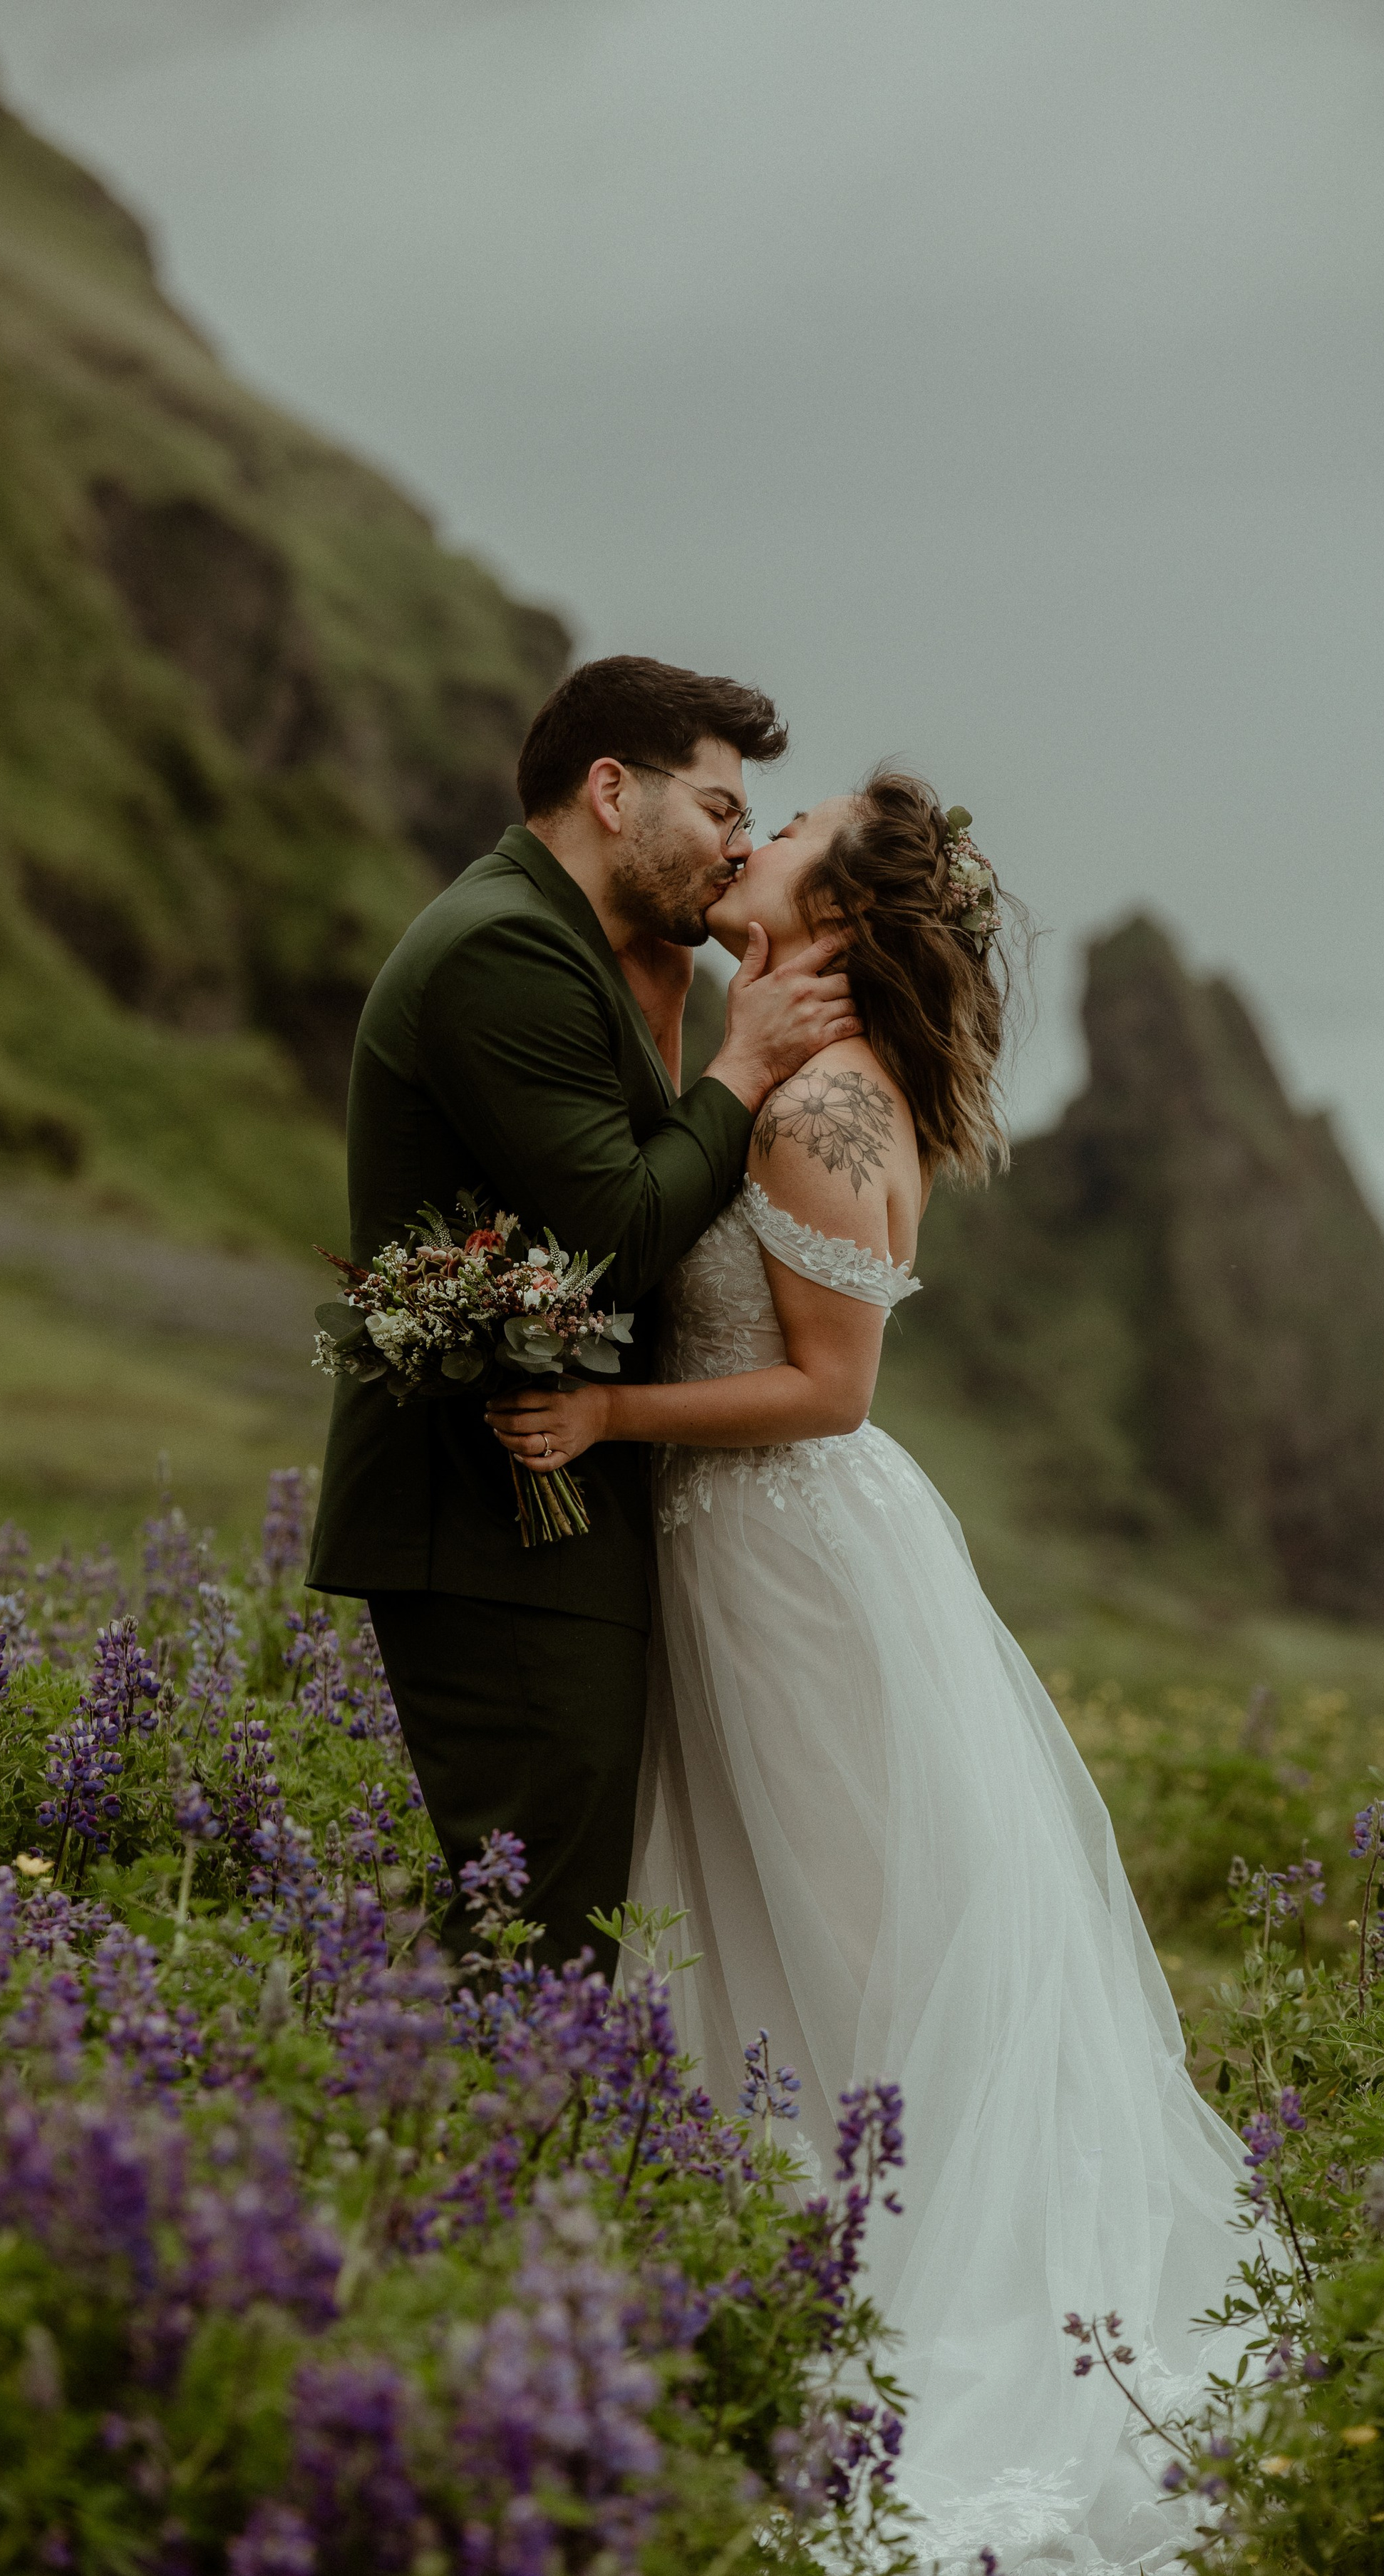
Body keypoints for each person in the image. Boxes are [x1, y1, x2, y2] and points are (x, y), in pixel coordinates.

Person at [487, 773, 1261, 2576]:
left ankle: (925, 2309)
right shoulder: (774, 1057)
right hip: (727, 1552)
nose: (750, 839)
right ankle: (783, 2284)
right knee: (772, 1921)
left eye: (790, 828)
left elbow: (832, 1387)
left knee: (852, 1932)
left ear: (831, 903)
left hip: (792, 1561)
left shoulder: (827, 1094)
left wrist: (603, 1413)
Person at [306, 656, 857, 1967]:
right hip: (491, 1518)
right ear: (613, 791)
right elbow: (613, 1234)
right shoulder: (505, 947)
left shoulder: (586, 953)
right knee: (541, 1938)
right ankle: (476, 2161)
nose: (736, 849)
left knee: (556, 1921)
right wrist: (746, 1061)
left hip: (544, 1515)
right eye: (723, 810)